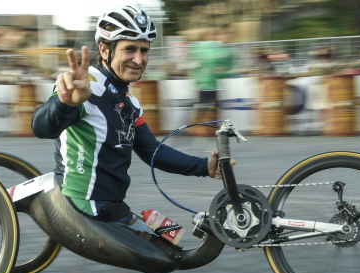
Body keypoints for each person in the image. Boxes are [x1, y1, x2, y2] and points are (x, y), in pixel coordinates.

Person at [31, 6, 231, 236]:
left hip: (113, 207)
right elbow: (42, 128)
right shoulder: (85, 85)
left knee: (174, 249)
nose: (139, 59)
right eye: (130, 49)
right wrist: (65, 103)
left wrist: (204, 167)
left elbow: (151, 151)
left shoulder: (131, 104)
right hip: (85, 206)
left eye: (144, 51)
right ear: (104, 50)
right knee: (164, 261)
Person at [187, 24, 236, 136]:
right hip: (207, 84)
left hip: (210, 84)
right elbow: (214, 68)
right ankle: (193, 128)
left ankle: (209, 129)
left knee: (211, 108)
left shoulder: (212, 48)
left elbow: (218, 69)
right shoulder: (208, 49)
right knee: (204, 110)